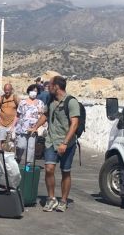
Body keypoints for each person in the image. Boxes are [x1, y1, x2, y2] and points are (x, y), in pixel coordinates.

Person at [43, 75, 81, 213]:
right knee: (49, 169)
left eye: (50, 85)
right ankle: (51, 198)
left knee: (65, 172)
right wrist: (34, 127)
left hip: (67, 143)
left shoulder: (71, 102)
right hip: (51, 141)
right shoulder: (50, 100)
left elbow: (74, 124)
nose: (48, 87)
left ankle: (63, 200)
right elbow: (45, 115)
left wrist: (65, 143)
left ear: (56, 87)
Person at [14, 83, 46, 162]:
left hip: (34, 129)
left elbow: (43, 116)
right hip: (22, 128)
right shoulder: (22, 102)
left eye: (36, 91)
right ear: (28, 91)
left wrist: (43, 124)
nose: (34, 92)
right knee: (21, 146)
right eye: (32, 91)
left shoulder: (40, 103)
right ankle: (18, 157)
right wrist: (13, 126)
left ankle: (28, 165)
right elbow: (18, 115)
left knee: (31, 148)